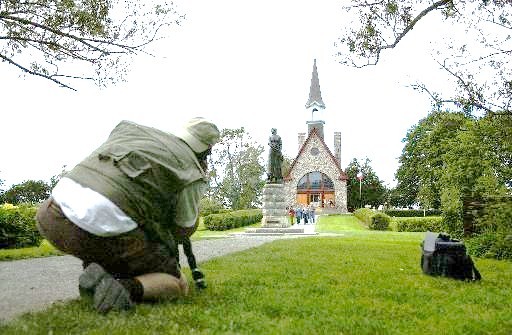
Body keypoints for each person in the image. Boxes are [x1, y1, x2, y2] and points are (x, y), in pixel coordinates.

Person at [36, 118, 220, 314]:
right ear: (206, 151)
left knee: (115, 235)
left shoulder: (131, 131)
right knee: (178, 285)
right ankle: (119, 288)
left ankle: (102, 273)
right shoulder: (191, 171)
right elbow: (182, 229)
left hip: (50, 217)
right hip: (96, 232)